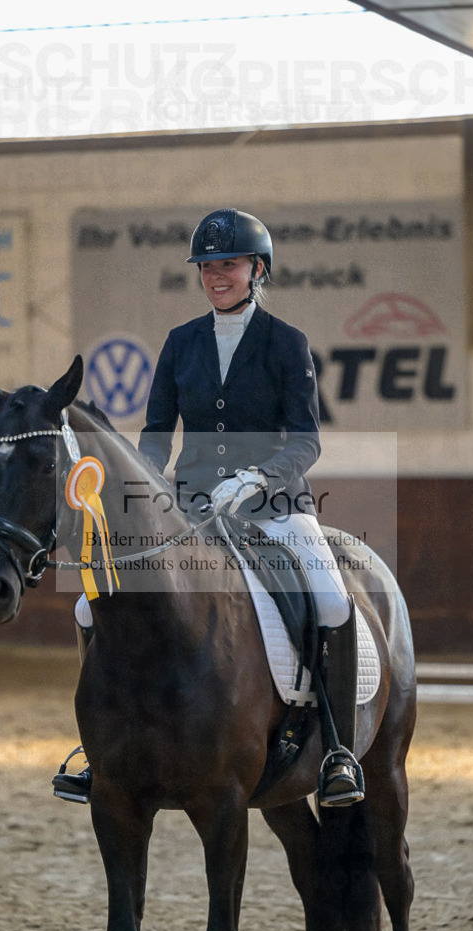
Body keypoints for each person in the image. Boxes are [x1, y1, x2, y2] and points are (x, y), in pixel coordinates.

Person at [53, 208, 364, 808]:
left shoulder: (287, 343)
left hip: (274, 505)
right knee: (90, 604)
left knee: (331, 597)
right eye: (207, 266)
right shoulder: (180, 343)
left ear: (256, 269)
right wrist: (141, 491)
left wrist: (256, 476)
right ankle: (99, 750)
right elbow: (155, 432)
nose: (217, 275)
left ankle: (337, 754)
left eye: (229, 264)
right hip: (191, 507)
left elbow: (306, 439)